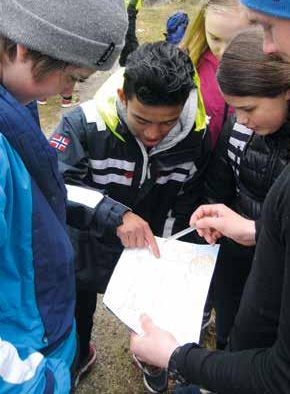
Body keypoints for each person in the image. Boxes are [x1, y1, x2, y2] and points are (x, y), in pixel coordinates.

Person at [130, 0, 290, 393]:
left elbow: (286, 374)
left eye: (266, 26)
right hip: (240, 288)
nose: (267, 45)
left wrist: (176, 357)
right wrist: (249, 227)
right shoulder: (241, 127)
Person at [0, 0, 127, 392]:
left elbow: (39, 193)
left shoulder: (17, 99)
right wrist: (38, 382)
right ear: (20, 46)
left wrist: (110, 213)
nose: (69, 92)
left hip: (41, 331)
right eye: (70, 76)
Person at [51, 41, 210, 393]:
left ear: (184, 105)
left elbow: (187, 200)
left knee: (154, 308)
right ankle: (78, 358)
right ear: (123, 95)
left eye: (167, 123)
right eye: (142, 119)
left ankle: (154, 359)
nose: (153, 134)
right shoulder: (82, 123)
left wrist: (170, 251)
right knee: (78, 311)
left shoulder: (197, 135)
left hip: (148, 252)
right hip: (87, 248)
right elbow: (57, 186)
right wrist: (115, 215)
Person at [201, 26, 290, 352]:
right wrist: (210, 212)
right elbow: (217, 184)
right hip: (234, 258)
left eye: (249, 108)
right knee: (230, 333)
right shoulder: (236, 128)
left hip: (286, 269)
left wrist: (255, 230)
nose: (241, 119)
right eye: (234, 109)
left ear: (286, 91)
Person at [181, 0, 249, 149]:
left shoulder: (276, 72)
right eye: (215, 38)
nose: (225, 52)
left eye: (237, 41)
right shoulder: (187, 63)